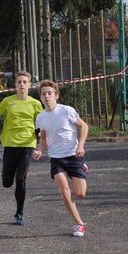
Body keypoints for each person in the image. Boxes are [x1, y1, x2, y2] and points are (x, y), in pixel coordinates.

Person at [33, 79, 89, 237]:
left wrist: (81, 146)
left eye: (50, 93)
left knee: (80, 194)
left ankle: (81, 167)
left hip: (73, 155)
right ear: (41, 97)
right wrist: (39, 151)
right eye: (43, 94)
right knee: (64, 192)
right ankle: (79, 224)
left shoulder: (67, 111)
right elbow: (43, 138)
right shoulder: (40, 117)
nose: (46, 96)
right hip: (56, 159)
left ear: (56, 95)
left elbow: (84, 126)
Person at [0, 71, 43, 225]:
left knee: (21, 179)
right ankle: (7, 175)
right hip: (10, 144)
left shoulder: (35, 104)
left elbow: (40, 125)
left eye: (25, 82)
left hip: (27, 144)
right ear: (15, 85)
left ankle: (19, 212)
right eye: (19, 82)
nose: (22, 85)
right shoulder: (7, 101)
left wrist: (40, 144)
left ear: (30, 85)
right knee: (7, 182)